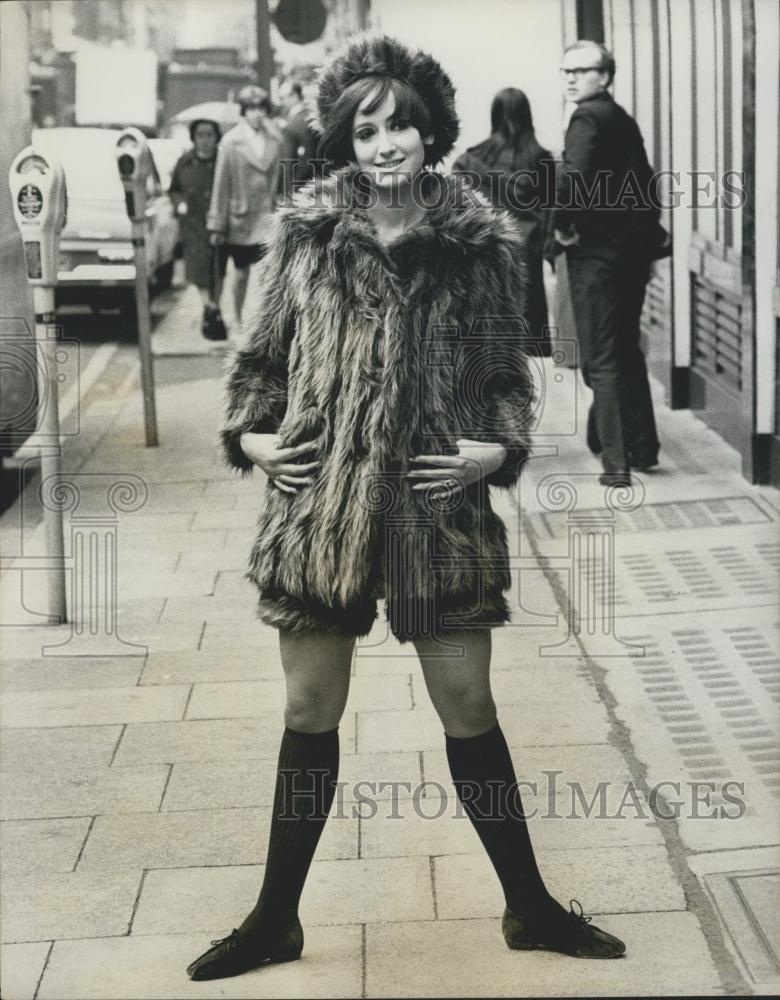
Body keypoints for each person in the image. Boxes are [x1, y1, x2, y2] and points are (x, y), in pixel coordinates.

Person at [186, 34, 626, 983]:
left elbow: (509, 374)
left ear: (432, 133)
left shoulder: (481, 243)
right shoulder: (306, 235)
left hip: (439, 505)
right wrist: (254, 440)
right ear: (347, 139)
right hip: (325, 506)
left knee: (469, 706)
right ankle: (275, 918)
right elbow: (259, 367)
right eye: (366, 128)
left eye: (402, 126)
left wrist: (496, 449)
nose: (385, 143)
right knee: (310, 708)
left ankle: (531, 906)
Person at [555, 40, 662, 486]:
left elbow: (572, 180)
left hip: (596, 256)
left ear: (605, 75)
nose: (571, 78)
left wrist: (563, 225)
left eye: (581, 70)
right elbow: (648, 184)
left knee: (601, 357)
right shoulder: (621, 118)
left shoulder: (586, 118)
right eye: (566, 71)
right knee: (624, 349)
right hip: (632, 255)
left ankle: (616, 464)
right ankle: (641, 445)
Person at [452, 88, 554, 356]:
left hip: (486, 245)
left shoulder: (472, 159)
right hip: (525, 247)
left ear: (494, 116)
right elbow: (551, 205)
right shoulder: (540, 158)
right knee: (526, 328)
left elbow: (454, 202)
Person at [206, 84, 286, 328]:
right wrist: (217, 225)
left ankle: (261, 323)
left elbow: (282, 181)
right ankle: (238, 319)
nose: (256, 114)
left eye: (261, 109)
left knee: (268, 274)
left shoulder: (275, 140)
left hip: (268, 219)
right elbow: (221, 185)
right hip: (240, 219)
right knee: (240, 274)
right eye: (251, 109)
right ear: (243, 112)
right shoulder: (231, 142)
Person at [168, 118, 224, 339]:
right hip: (193, 223)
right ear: (194, 137)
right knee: (199, 270)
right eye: (200, 135)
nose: (205, 140)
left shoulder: (223, 159)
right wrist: (179, 203)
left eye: (209, 135)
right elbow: (174, 189)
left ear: (216, 137)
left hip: (217, 222)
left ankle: (213, 308)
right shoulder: (184, 162)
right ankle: (209, 307)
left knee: (218, 269)